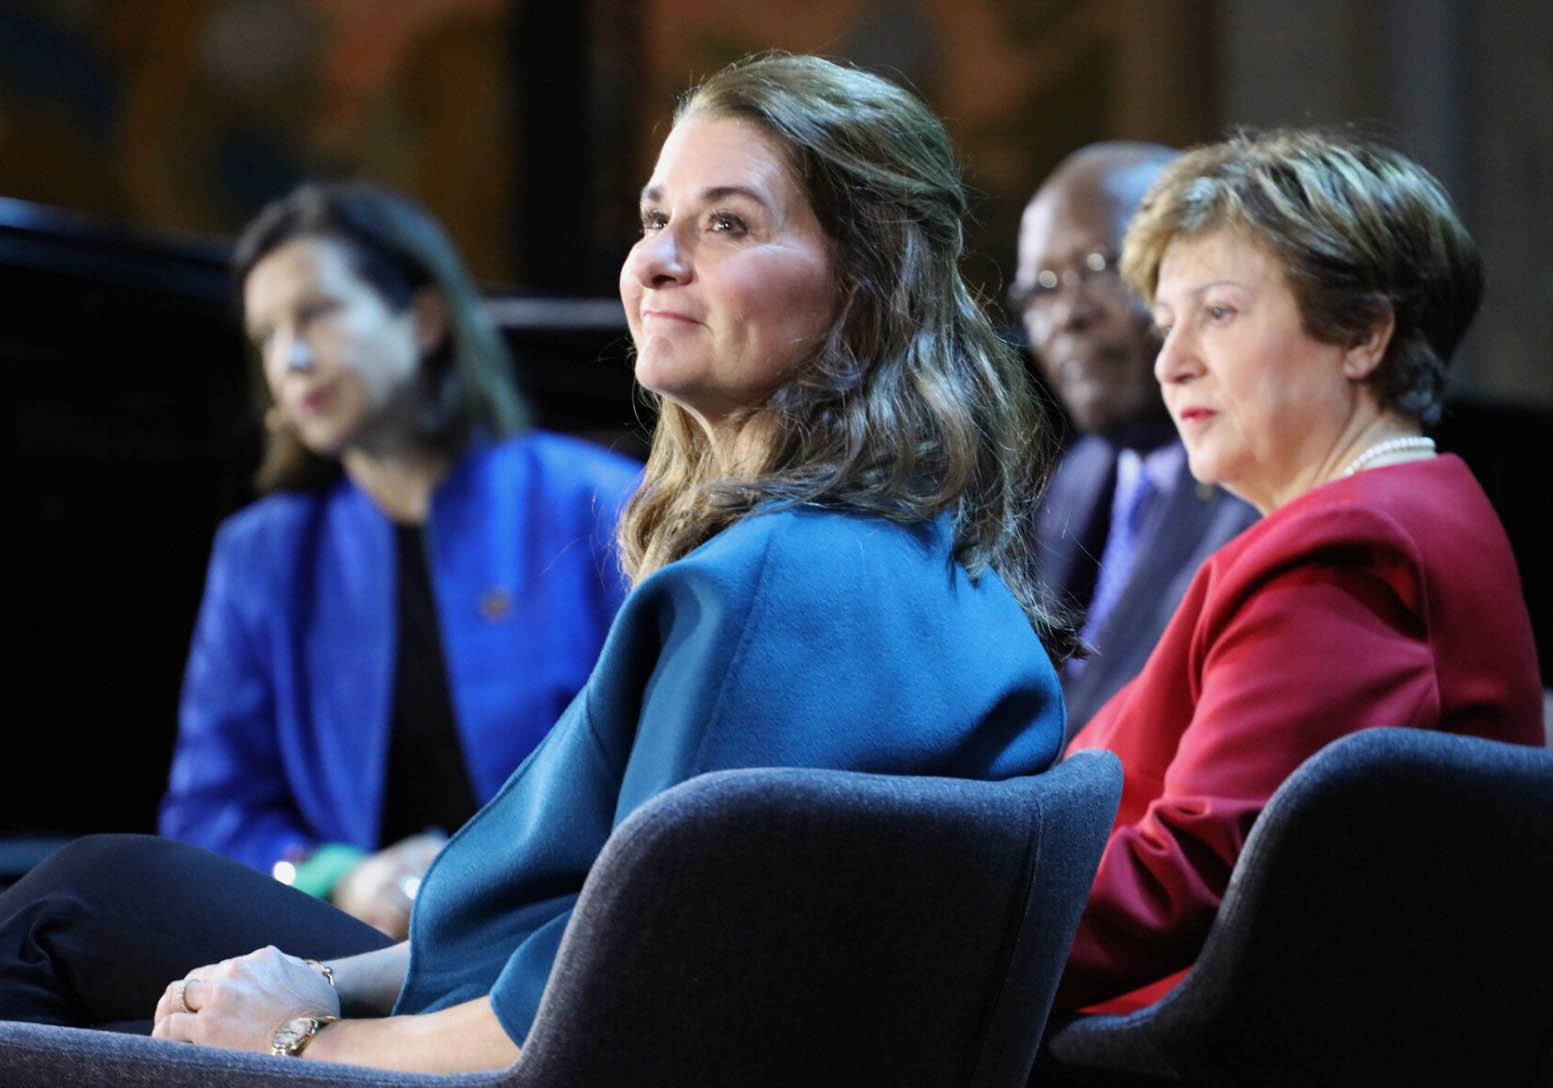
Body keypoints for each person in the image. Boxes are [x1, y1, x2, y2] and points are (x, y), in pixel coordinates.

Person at [0, 54, 1070, 1071]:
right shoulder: (927, 553)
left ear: (867, 279)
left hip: (487, 1048)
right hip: (467, 970)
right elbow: (564, 920)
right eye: (655, 219)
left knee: (78, 900)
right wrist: (316, 973)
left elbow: (592, 1014)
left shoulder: (768, 584)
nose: (654, 258)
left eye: (727, 224)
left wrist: (298, 1041)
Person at [1053, 128, 1545, 1014]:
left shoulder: (1349, 554)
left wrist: (937, 929)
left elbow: (1189, 884)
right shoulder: (1410, 510)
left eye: (1220, 313)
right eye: (1167, 324)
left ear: (1361, 333)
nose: (1171, 363)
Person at [156, 182, 641, 940]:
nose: (293, 358)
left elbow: (667, 776)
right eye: (268, 335)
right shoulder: (263, 553)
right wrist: (339, 876)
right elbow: (207, 813)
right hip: (349, 944)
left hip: (570, 939)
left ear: (422, 320)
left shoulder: (601, 503)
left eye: (317, 313)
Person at [1015, 143, 1257, 729]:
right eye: (1041, 288)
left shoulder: (1260, 479)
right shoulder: (1081, 473)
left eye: (1097, 267)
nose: (1067, 314)